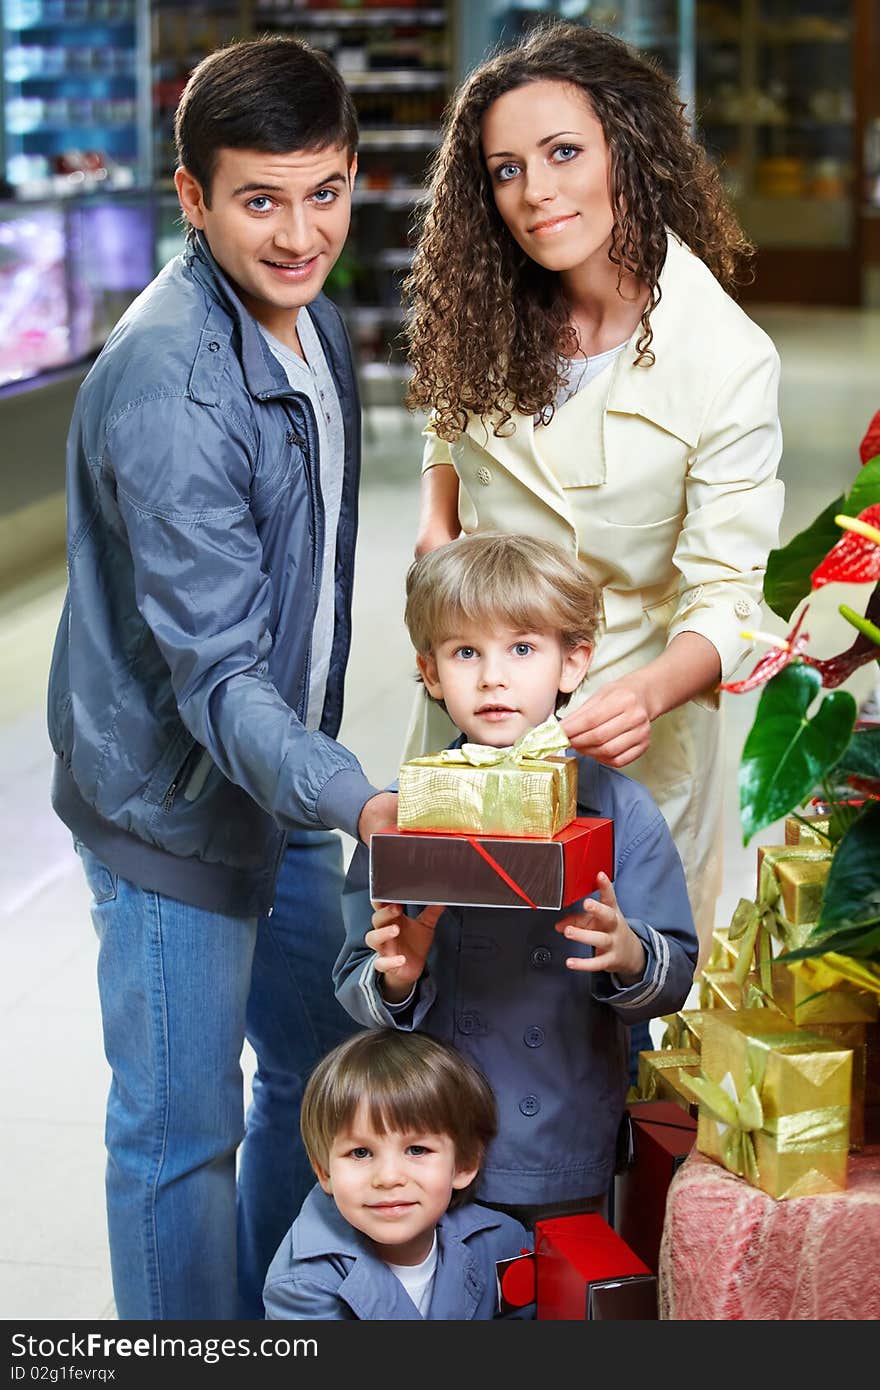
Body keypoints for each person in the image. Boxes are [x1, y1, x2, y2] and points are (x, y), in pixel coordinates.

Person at [45, 35, 397, 1321]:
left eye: (325, 191)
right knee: (177, 1137)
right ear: (191, 199)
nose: (301, 232)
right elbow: (218, 669)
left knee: (319, 1074)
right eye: (260, 198)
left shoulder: (310, 324)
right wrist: (359, 797)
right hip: (173, 814)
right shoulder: (175, 380)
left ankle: (267, 1323)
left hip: (277, 780)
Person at [402, 19, 785, 1007]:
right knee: (448, 1000)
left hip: (626, 738)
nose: (534, 193)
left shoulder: (723, 359)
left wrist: (650, 692)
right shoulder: (485, 301)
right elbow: (448, 425)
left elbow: (730, 597)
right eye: (505, 170)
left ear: (629, 147)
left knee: (607, 1019)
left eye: (564, 152)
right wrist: (436, 522)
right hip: (471, 708)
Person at [334, 533, 698, 1225]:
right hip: (427, 1144)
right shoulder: (402, 812)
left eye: (522, 649)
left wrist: (627, 951)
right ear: (431, 672)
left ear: (574, 663)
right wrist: (399, 975)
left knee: (559, 1290)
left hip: (563, 1133)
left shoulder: (622, 810)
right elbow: (355, 974)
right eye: (465, 652)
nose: (493, 677)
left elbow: (674, 973)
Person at [263, 1028, 533, 1319]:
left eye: (417, 1150)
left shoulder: (500, 1243)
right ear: (324, 1171)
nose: (389, 1178)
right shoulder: (302, 1286)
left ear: (465, 1164)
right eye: (361, 1152)